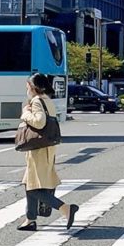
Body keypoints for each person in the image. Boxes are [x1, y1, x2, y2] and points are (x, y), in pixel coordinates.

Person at [19, 73, 78, 231]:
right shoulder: (47, 100)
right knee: (29, 183)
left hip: (39, 150)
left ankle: (65, 208)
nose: (27, 90)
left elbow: (39, 122)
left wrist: (25, 113)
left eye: (27, 87)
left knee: (33, 187)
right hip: (45, 148)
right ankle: (30, 219)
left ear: (33, 87)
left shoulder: (37, 101)